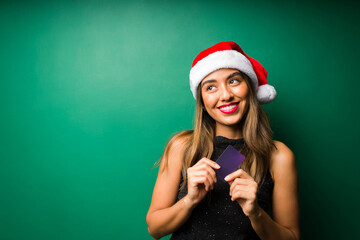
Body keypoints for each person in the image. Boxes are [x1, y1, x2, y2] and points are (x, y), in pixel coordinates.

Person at [146, 41, 300, 240]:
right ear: (202, 100)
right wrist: (190, 200)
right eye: (211, 87)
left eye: (234, 81)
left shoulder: (278, 156)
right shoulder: (182, 147)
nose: (226, 95)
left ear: (251, 88)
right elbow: (155, 229)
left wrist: (256, 213)